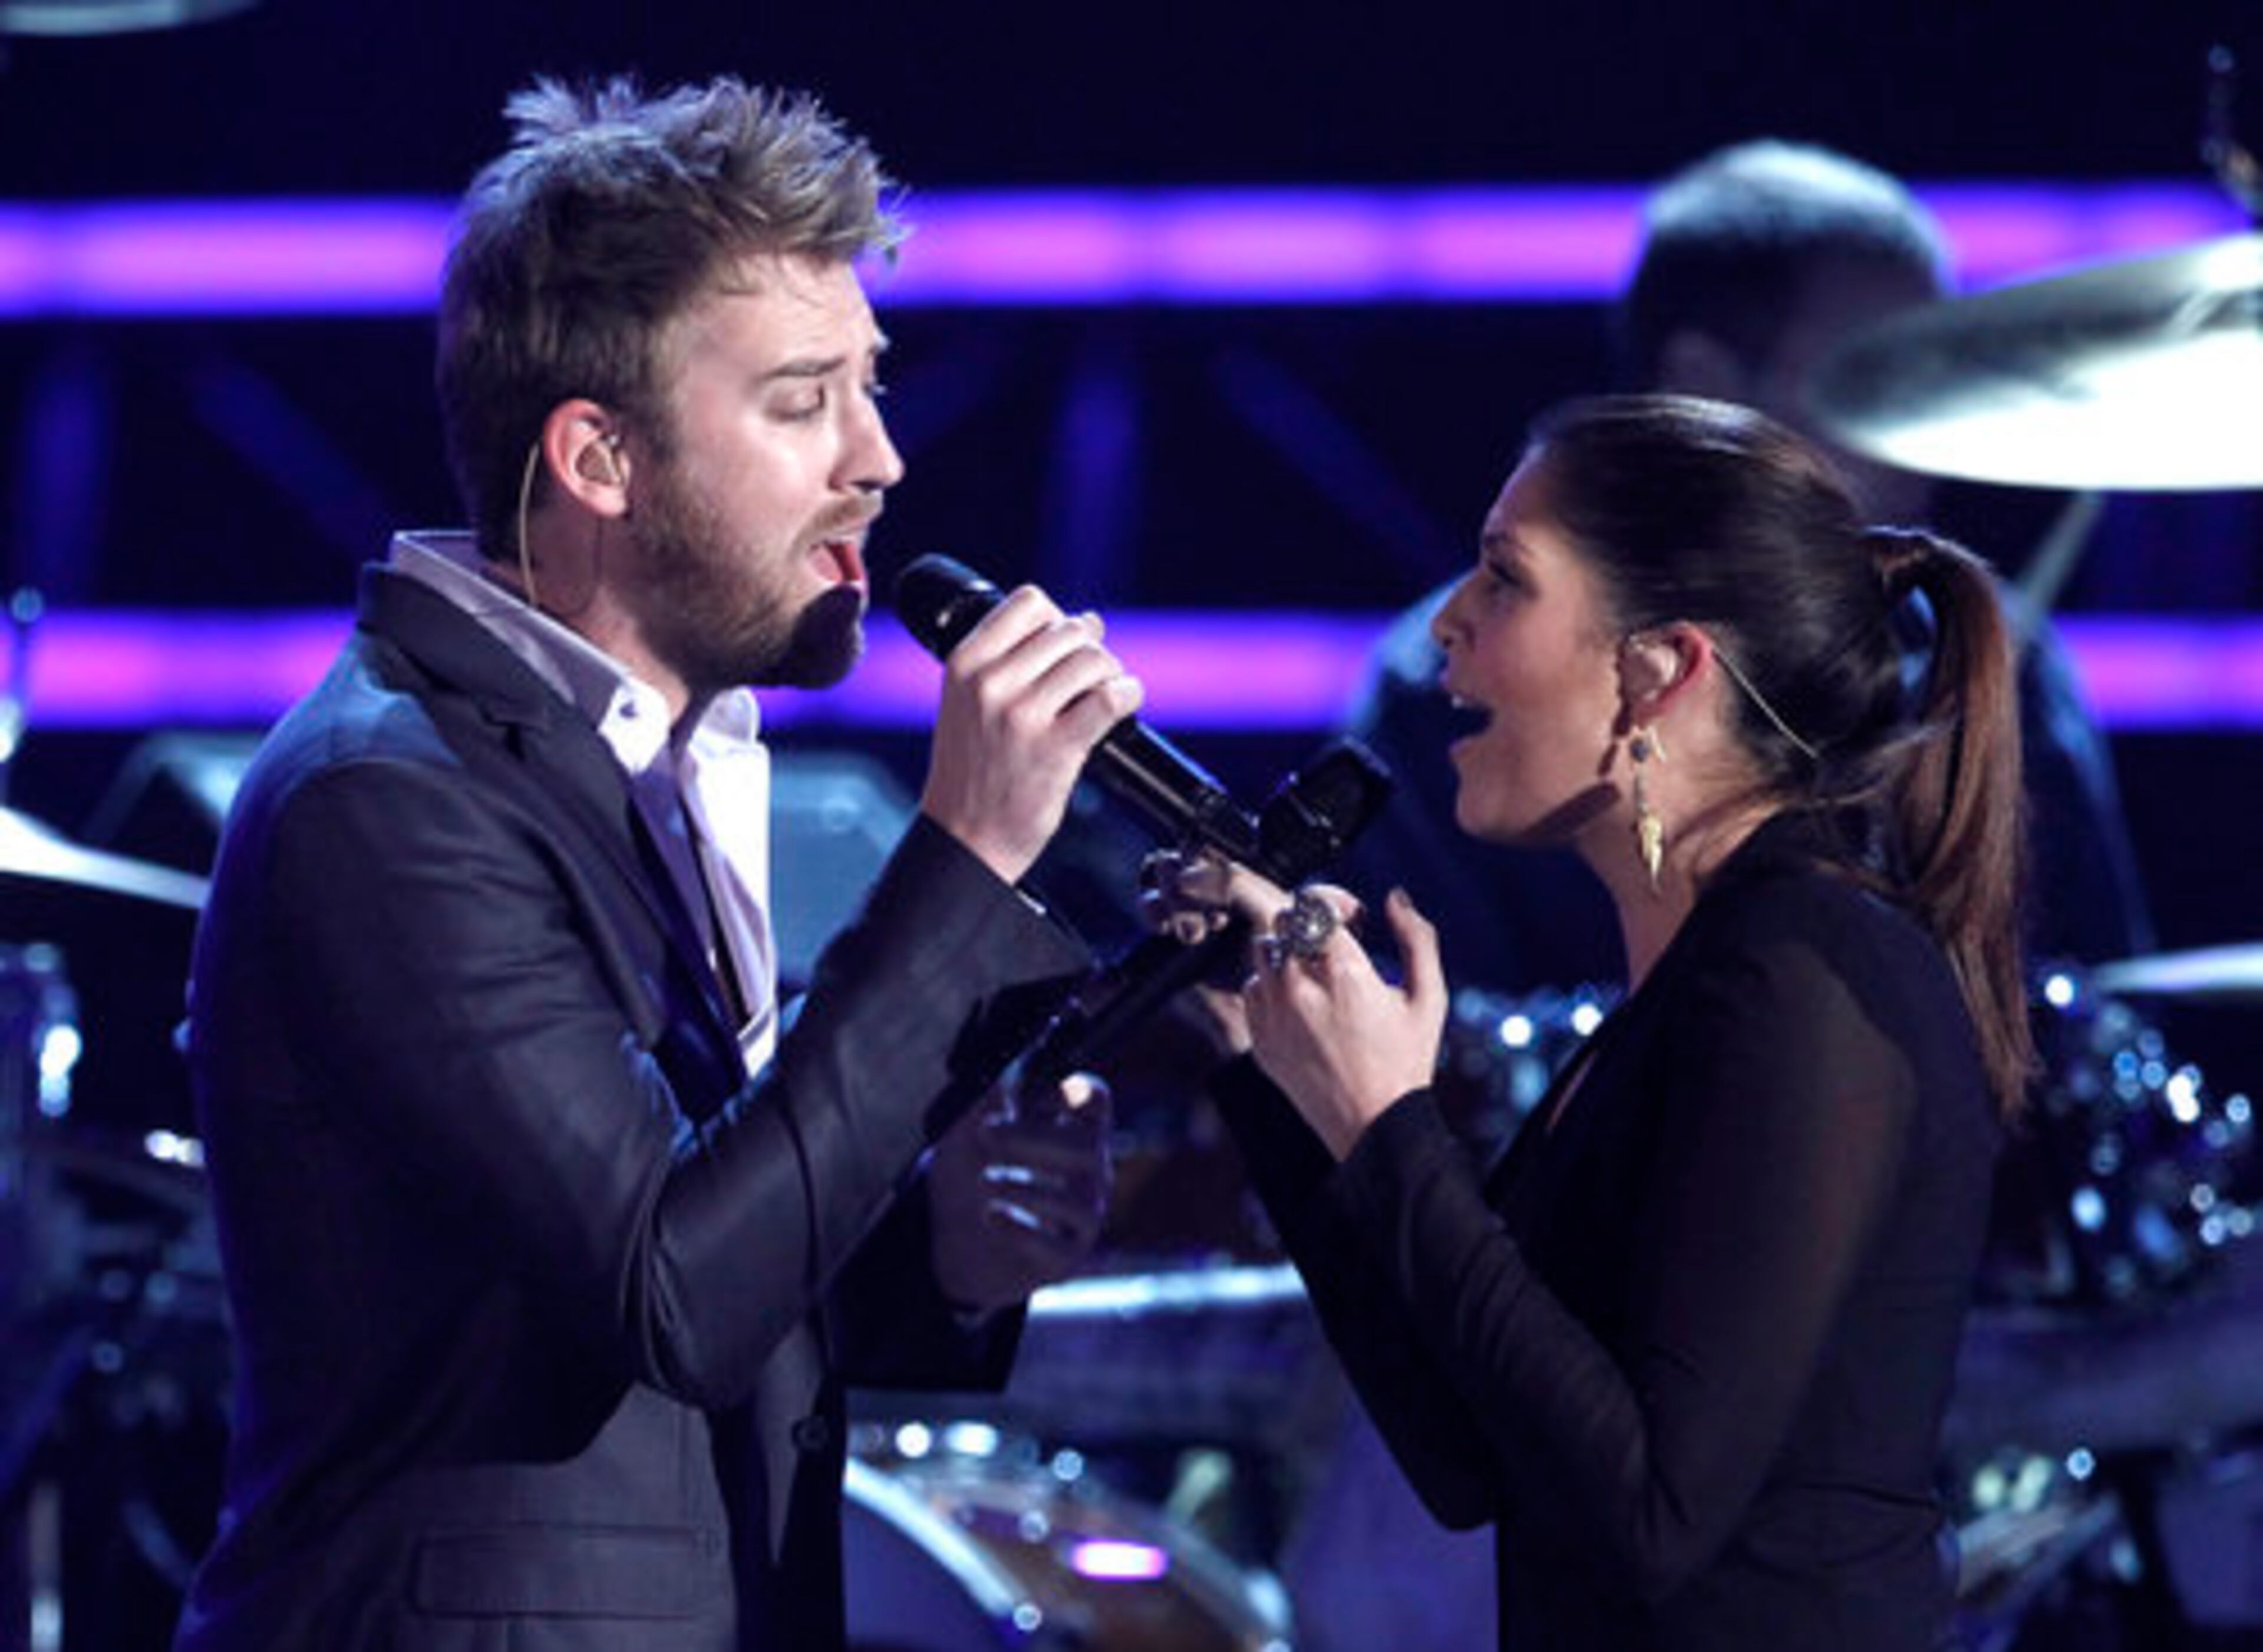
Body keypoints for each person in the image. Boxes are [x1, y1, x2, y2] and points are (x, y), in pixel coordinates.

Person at [173, 75, 1134, 1652]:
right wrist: (963, 855)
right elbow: (667, 1286)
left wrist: (932, 1256)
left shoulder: (663, 766)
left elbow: (699, 1267)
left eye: (868, 389)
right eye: (802, 400)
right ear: (597, 459)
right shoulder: (387, 801)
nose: (879, 458)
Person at [1158, 393, 2028, 1650]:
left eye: (1506, 580)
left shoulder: (1804, 979)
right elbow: (1470, 1453)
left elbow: (1649, 1513)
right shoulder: (1698, 985)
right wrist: (1275, 1081)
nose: (1447, 622)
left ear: (1659, 669)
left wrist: (1390, 1126)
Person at [1348, 139, 2150, 999]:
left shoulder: (1988, 656)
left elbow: (2099, 1020)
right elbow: (1446, 1055)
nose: (1925, 435)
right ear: (1703, 383)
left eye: (1932, 383)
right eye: (1875, 380)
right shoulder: (1448, 679)